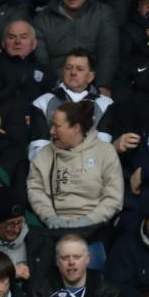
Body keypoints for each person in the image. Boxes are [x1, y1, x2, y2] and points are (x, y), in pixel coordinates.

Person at [27, 100, 123, 237]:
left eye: (57, 126)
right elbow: (35, 190)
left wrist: (88, 221)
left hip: (95, 227)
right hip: (54, 227)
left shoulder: (105, 152)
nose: (51, 131)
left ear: (76, 127)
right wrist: (50, 217)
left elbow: (113, 198)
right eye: (52, 125)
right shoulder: (44, 154)